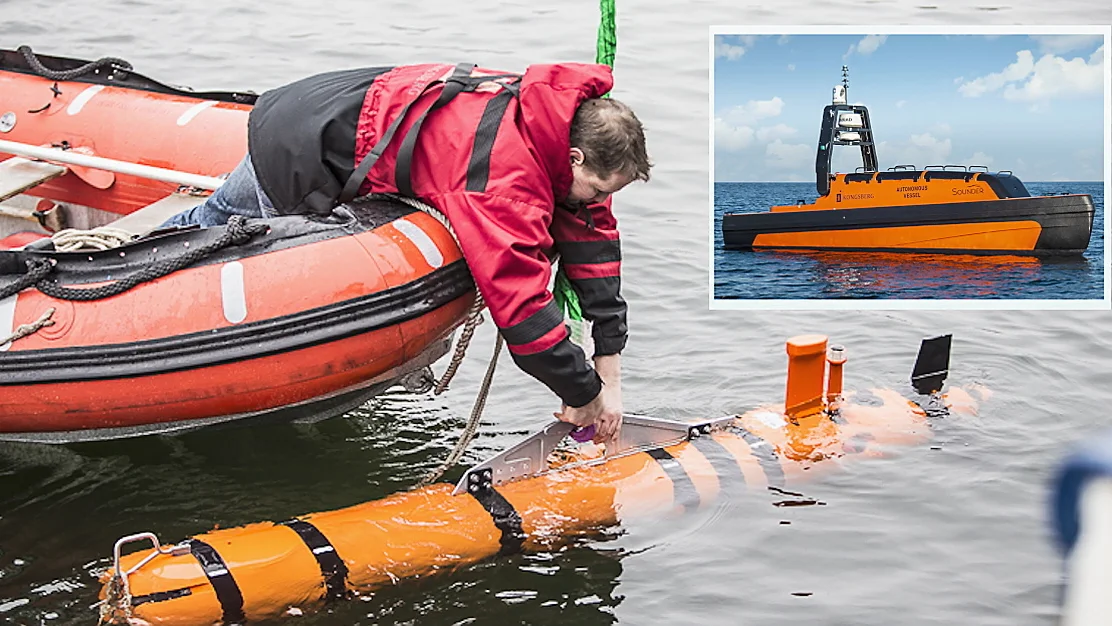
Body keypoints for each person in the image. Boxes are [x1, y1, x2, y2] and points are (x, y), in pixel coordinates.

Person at [163, 62, 651, 443]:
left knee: (220, 221)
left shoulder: (550, 119)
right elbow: (521, 310)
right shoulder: (504, 181)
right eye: (595, 189)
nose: (593, 201)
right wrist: (584, 393)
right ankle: (130, 270)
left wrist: (609, 359)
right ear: (575, 158)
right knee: (219, 231)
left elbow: (591, 235)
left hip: (336, 107)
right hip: (302, 142)